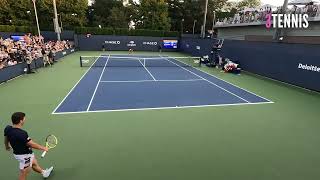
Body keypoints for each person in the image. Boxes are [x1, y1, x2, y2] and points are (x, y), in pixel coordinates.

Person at [4, 112, 53, 180]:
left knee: (33, 163)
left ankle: (44, 173)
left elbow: (6, 138)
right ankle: (44, 173)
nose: (25, 119)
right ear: (21, 121)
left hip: (18, 153)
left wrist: (6, 146)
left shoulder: (8, 128)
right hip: (25, 156)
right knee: (24, 173)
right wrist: (43, 148)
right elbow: (31, 144)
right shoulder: (22, 133)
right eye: (24, 118)